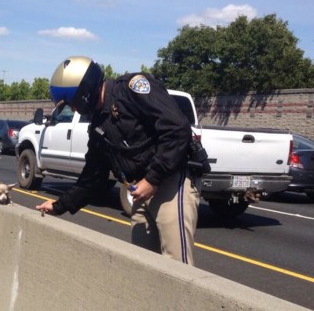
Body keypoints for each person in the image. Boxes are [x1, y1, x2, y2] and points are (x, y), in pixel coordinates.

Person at [36, 56, 201, 265]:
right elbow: (93, 177)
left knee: (177, 265)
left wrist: (153, 179)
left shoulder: (132, 89)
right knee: (143, 264)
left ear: (84, 92)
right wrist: (59, 205)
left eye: (73, 103)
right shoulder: (98, 124)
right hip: (141, 189)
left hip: (171, 181)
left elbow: (177, 129)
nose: (75, 109)